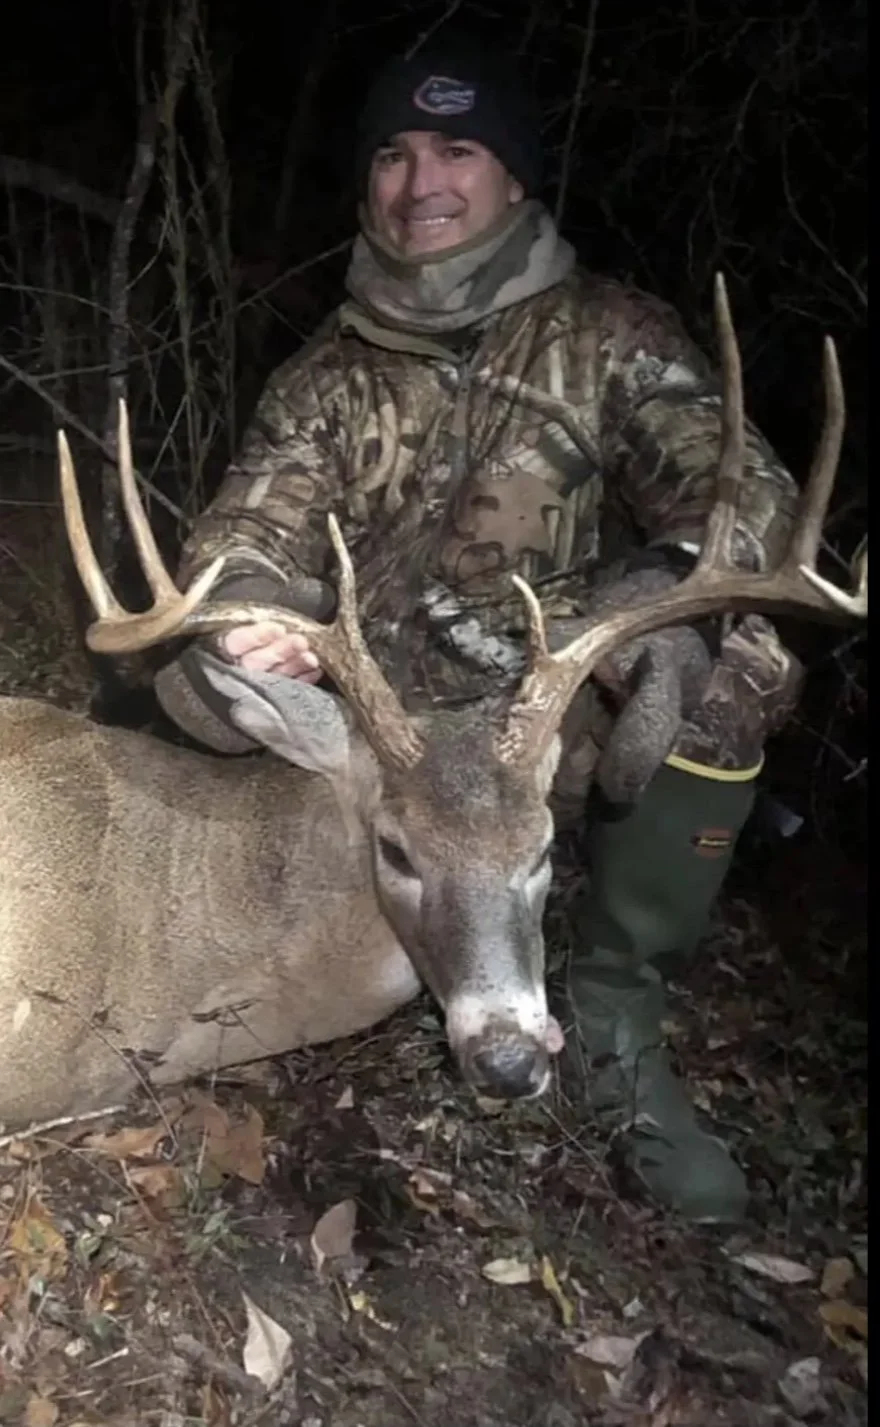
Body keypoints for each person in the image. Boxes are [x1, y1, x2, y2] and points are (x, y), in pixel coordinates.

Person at [155, 36, 804, 1224]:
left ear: (514, 177)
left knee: (728, 662)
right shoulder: (326, 375)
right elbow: (247, 531)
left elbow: (739, 499)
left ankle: (609, 1022)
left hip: (541, 716)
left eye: (458, 148)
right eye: (394, 154)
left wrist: (644, 614)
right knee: (180, 680)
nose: (422, 182)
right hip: (390, 731)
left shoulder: (613, 336)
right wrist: (249, 615)